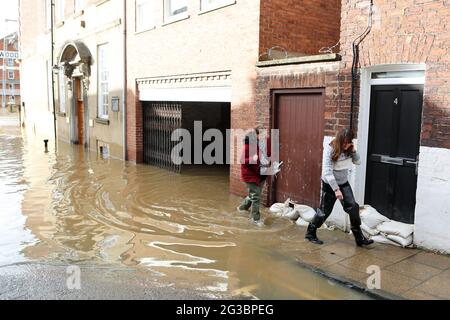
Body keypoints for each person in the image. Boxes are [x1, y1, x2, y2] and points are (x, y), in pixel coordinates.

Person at [305, 128, 374, 247]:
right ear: (340, 140)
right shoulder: (331, 148)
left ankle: (359, 238)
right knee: (324, 212)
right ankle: (310, 233)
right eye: (344, 142)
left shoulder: (349, 150)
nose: (345, 145)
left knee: (353, 207)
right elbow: (327, 172)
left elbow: (358, 162)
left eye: (348, 142)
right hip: (329, 184)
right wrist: (336, 190)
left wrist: (353, 151)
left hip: (344, 183)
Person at [237, 128, 270, 227]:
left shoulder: (257, 145)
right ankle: (255, 219)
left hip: (258, 173)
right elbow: (242, 160)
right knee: (256, 197)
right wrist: (253, 158)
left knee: (254, 195)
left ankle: (242, 208)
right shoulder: (247, 146)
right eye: (256, 135)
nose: (258, 137)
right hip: (250, 176)